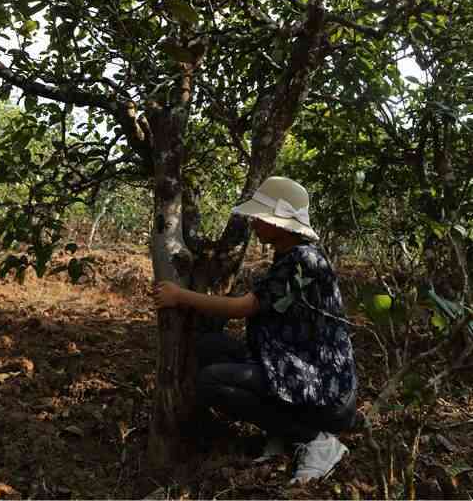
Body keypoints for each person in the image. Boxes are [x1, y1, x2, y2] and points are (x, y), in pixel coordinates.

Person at [153, 176, 358, 484]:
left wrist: (180, 296)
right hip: (294, 366)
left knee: (212, 381)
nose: (253, 222)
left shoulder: (303, 260)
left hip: (322, 389)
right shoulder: (290, 255)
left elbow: (244, 308)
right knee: (209, 346)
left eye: (260, 217)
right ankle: (282, 430)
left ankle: (315, 438)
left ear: (280, 223)